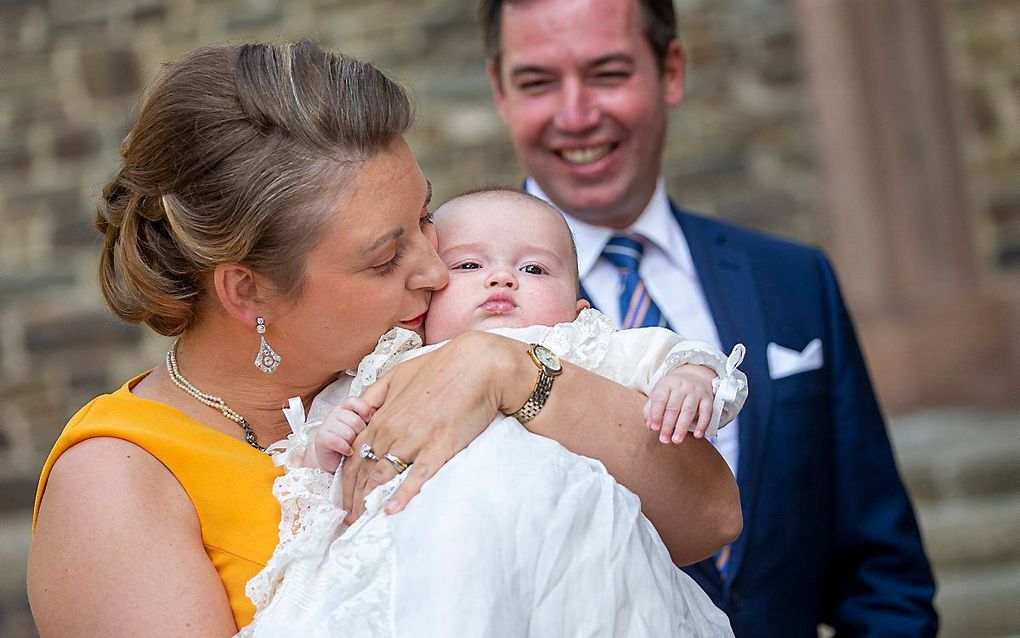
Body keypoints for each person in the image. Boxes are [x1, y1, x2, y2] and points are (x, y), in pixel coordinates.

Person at [27, 41, 740, 636]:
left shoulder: (451, 345)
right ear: (249, 291)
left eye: (424, 218)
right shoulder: (116, 480)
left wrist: (512, 373)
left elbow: (710, 517)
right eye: (383, 258)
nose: (435, 269)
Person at [477, 0, 938, 635]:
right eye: (537, 82)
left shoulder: (795, 281)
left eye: (608, 73)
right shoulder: (450, 299)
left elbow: (882, 574)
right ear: (500, 91)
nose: (576, 114)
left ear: (670, 71)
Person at [240, 188, 746, 636]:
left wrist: (690, 379)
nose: (502, 278)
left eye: (534, 269)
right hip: (427, 567)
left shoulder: (577, 346)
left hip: (577, 567)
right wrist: (328, 444)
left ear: (578, 308)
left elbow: (669, 355)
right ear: (422, 306)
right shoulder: (392, 361)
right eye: (467, 266)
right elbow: (314, 474)